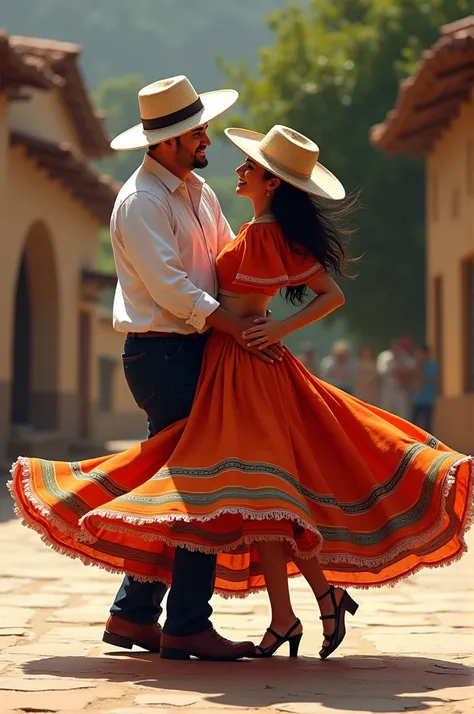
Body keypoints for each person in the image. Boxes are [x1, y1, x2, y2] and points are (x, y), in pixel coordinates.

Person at [10, 126, 473, 662]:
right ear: (166, 143)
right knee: (216, 486)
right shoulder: (145, 201)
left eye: (249, 165)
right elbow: (175, 288)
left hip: (231, 364)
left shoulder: (214, 204)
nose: (219, 152)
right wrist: (249, 324)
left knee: (222, 488)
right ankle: (268, 606)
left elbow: (285, 285)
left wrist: (267, 327)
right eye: (195, 134)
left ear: (271, 182)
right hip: (182, 355)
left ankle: (162, 614)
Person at [377, 340, 415, 420]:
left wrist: (402, 370)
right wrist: (395, 368)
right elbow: (381, 370)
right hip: (388, 389)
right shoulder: (385, 356)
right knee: (386, 414)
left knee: (403, 415)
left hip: (401, 389)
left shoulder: (405, 357)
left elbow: (411, 368)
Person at [412, 345, 438, 432]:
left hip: (428, 400)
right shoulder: (417, 365)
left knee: (427, 425)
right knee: (413, 423)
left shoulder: (432, 366)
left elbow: (432, 379)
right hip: (417, 400)